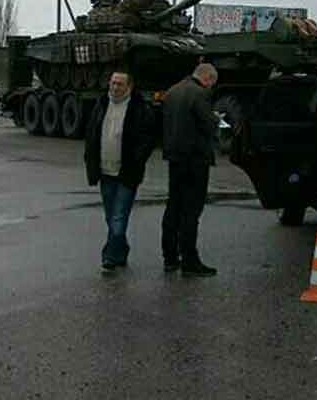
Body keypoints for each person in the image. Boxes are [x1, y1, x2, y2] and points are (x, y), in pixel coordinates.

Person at [84, 72, 156, 273]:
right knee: (110, 216)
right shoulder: (101, 105)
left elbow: (148, 138)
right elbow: (91, 133)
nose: (115, 87)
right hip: (105, 171)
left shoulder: (139, 109)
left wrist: (137, 159)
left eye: (120, 84)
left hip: (127, 172)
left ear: (129, 87)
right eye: (113, 83)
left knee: (118, 216)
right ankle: (121, 250)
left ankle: (109, 257)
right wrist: (89, 158)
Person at [160, 63, 219, 276]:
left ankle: (169, 257)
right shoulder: (200, 94)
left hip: (174, 157)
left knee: (173, 206)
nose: (212, 87)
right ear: (208, 78)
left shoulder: (173, 91)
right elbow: (208, 125)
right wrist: (217, 119)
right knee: (191, 211)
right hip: (195, 159)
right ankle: (190, 261)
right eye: (213, 83)